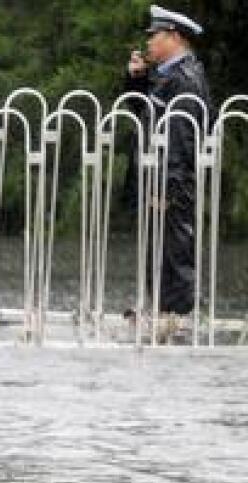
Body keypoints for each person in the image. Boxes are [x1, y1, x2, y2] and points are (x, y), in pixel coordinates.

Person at [125, 5, 212, 316]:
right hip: (158, 179)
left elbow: (181, 139)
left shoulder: (185, 79)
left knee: (175, 253)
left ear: (174, 37)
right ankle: (160, 314)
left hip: (171, 184)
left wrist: (167, 188)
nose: (149, 43)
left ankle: (178, 321)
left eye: (155, 36)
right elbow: (143, 116)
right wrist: (137, 81)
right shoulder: (167, 77)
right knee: (158, 252)